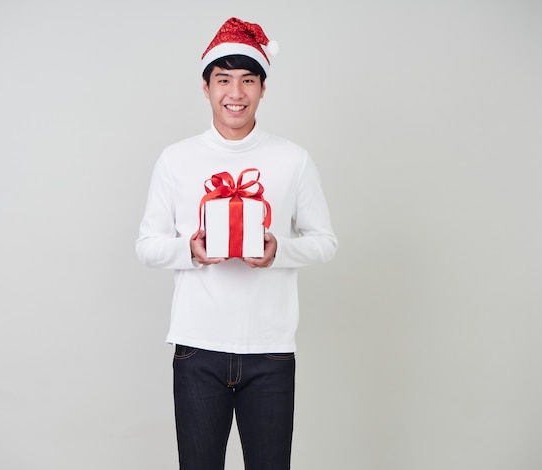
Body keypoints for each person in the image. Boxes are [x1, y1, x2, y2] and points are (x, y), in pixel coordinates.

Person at [136, 17, 337, 470]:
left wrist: (278, 251)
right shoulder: (176, 159)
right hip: (196, 348)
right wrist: (190, 250)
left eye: (248, 80)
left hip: (270, 351)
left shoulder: (292, 159)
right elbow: (147, 245)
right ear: (205, 87)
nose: (236, 92)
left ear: (263, 88)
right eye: (223, 79)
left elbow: (325, 242)